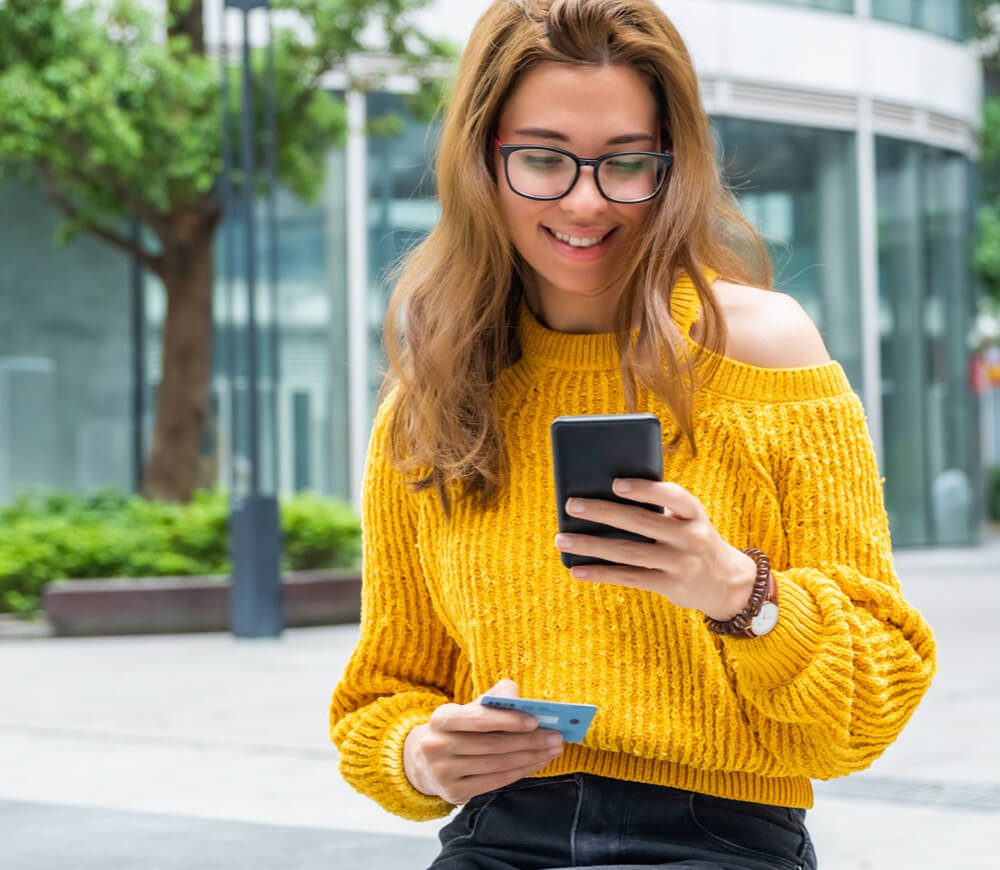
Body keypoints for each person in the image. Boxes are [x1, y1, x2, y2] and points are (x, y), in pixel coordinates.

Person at [330, 1, 937, 867]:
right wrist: (420, 755)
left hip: (719, 837)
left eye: (626, 163)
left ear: (674, 166)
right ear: (480, 162)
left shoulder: (766, 353)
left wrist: (740, 593)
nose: (586, 200)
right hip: (498, 835)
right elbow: (382, 695)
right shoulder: (432, 396)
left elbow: (876, 699)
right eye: (543, 159)